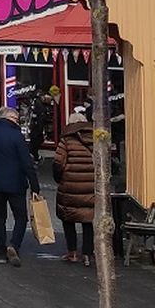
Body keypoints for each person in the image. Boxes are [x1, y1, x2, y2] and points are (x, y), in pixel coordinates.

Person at [0, 106, 43, 263]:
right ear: (10, 118)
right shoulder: (16, 136)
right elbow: (27, 163)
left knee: (0, 217)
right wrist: (34, 185)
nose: (18, 122)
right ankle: (14, 245)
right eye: (16, 119)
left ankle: (0, 251)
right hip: (16, 183)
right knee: (21, 217)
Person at [53, 104, 97, 264]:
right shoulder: (95, 139)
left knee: (68, 219)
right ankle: (87, 254)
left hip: (70, 187)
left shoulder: (66, 140)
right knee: (88, 220)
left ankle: (72, 252)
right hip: (90, 187)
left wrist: (59, 178)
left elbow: (58, 163)